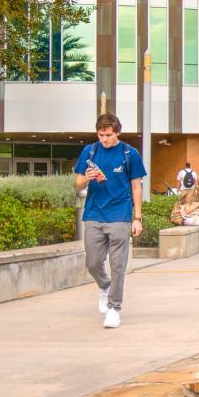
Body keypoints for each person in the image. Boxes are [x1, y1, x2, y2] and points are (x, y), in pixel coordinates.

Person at [74, 112, 147, 329]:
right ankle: (105, 287)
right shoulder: (90, 151)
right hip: (94, 214)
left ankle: (114, 308)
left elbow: (136, 186)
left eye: (108, 135)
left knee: (118, 265)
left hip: (120, 215)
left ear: (117, 133)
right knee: (93, 263)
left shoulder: (129, 154)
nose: (104, 139)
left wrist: (137, 218)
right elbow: (77, 184)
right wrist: (85, 178)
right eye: (100, 135)